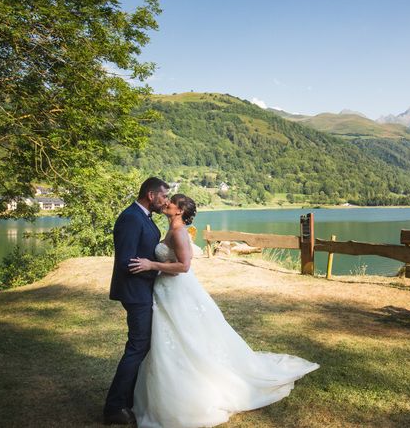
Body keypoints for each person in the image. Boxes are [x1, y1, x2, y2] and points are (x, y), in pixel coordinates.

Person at [129, 194, 318, 428]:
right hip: (165, 290)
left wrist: (151, 265)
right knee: (171, 336)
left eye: (171, 202)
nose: (166, 203)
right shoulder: (170, 228)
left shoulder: (178, 233)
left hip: (177, 290)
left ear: (179, 211)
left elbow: (184, 266)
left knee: (186, 335)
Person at [104, 177, 170, 425]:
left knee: (141, 346)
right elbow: (126, 261)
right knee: (137, 347)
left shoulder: (144, 217)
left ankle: (131, 397)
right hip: (135, 292)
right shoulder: (131, 218)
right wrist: (158, 270)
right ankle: (114, 407)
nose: (165, 201)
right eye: (163, 196)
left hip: (144, 289)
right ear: (151, 195)